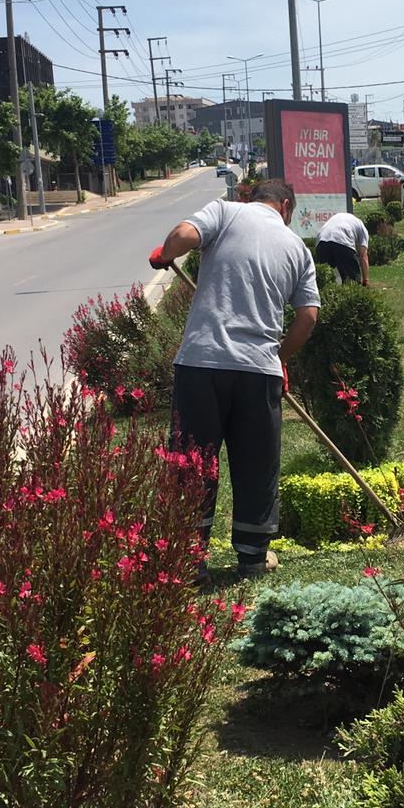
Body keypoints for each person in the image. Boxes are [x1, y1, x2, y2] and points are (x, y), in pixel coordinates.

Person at [150, 178, 319, 579]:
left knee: (192, 461)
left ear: (254, 198)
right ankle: (252, 557)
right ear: (286, 208)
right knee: (256, 465)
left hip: (202, 363)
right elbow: (308, 317)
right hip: (258, 369)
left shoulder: (225, 212)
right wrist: (279, 359)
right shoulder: (297, 248)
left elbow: (182, 236)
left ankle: (188, 560)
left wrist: (164, 255)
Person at [314, 208, 370, 285]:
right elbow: (363, 256)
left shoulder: (339, 217)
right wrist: (365, 280)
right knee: (351, 282)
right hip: (343, 241)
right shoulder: (362, 227)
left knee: (322, 278)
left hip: (322, 241)